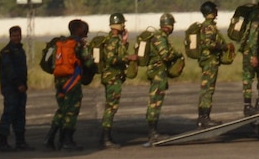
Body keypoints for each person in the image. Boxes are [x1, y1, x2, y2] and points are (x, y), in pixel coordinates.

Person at [39, 17, 93, 150]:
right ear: (79, 30)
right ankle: (67, 141)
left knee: (62, 109)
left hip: (59, 80)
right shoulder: (79, 44)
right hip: (72, 81)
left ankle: (50, 138)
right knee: (71, 110)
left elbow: (45, 62)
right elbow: (88, 63)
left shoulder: (57, 43)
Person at [137, 12, 185, 146]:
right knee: (155, 102)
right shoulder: (160, 37)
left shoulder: (159, 36)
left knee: (155, 101)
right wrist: (177, 54)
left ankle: (153, 131)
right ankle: (153, 133)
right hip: (158, 74)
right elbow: (165, 55)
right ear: (168, 25)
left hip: (157, 72)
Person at [91, 11, 136, 147]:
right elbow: (112, 59)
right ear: (119, 24)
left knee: (111, 107)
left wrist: (124, 42)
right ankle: (106, 138)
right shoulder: (112, 41)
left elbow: (118, 53)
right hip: (112, 78)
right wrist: (128, 57)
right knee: (111, 107)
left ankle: (106, 137)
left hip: (113, 77)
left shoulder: (115, 40)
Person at [184, 1, 231, 128]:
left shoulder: (206, 26)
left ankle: (202, 117)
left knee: (206, 89)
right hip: (210, 61)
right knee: (208, 90)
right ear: (211, 11)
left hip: (208, 60)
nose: (217, 11)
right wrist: (223, 46)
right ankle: (204, 118)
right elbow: (208, 43)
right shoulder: (209, 27)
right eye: (215, 9)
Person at [0, 25, 31, 151]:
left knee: (20, 115)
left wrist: (24, 84)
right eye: (14, 35)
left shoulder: (20, 50)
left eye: (18, 35)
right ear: (10, 36)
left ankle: (20, 141)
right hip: (11, 88)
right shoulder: (6, 52)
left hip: (21, 88)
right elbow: (10, 71)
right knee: (9, 114)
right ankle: (2, 142)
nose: (17, 38)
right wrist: (18, 84)